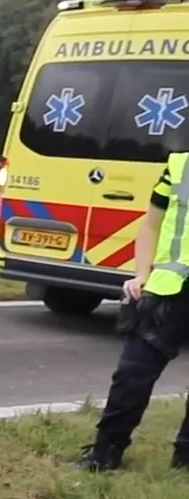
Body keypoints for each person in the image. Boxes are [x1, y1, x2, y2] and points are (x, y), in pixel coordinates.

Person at [76, 150, 189, 471]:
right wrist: (142, 274)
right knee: (133, 373)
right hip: (169, 288)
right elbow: (151, 225)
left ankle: (185, 459)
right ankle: (106, 452)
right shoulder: (181, 166)